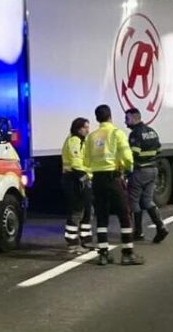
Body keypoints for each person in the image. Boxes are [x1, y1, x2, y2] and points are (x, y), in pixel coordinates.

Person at [83, 104, 144, 266]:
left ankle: (103, 254)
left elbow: (86, 160)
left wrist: (92, 173)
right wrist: (127, 169)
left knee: (101, 217)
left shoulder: (91, 136)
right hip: (114, 178)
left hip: (97, 180)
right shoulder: (117, 133)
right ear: (110, 116)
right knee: (124, 215)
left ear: (97, 118)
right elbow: (127, 156)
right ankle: (127, 253)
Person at [124, 108, 168, 243]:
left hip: (139, 171)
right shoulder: (151, 131)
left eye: (127, 118)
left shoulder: (135, 134)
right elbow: (159, 150)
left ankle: (139, 232)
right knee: (148, 201)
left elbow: (134, 154)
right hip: (153, 170)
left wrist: (126, 169)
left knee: (134, 202)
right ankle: (161, 227)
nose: (125, 121)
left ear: (133, 118)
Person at [60, 117, 94, 254]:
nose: (88, 130)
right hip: (74, 178)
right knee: (77, 211)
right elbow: (76, 164)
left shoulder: (81, 141)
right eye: (85, 127)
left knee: (86, 210)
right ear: (78, 128)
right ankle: (73, 244)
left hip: (78, 178)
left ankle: (85, 241)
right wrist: (88, 176)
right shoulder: (74, 141)